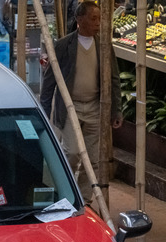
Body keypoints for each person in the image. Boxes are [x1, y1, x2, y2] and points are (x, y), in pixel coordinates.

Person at [39, 0, 121, 200]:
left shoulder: (104, 46)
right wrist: (43, 111)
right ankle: (66, 195)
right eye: (93, 18)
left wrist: (116, 110)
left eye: (99, 19)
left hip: (95, 108)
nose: (97, 23)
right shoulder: (63, 45)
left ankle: (84, 199)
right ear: (79, 19)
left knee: (92, 160)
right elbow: (49, 82)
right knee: (73, 153)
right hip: (70, 108)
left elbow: (114, 79)